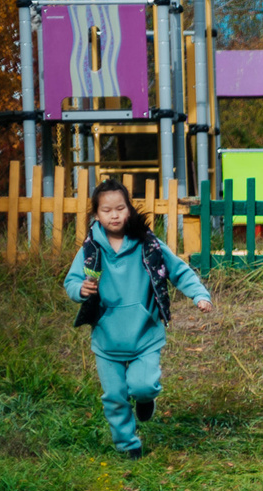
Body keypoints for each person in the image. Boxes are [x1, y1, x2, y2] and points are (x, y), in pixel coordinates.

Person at [63, 179, 213, 459]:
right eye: (107, 210)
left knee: (143, 386)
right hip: (108, 338)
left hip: (144, 333)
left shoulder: (148, 244)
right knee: (115, 397)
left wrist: (199, 295)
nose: (115, 215)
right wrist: (79, 290)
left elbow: (178, 270)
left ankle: (146, 400)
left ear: (129, 210)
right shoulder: (90, 250)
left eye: (120, 208)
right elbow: (71, 282)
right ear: (96, 214)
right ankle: (128, 446)